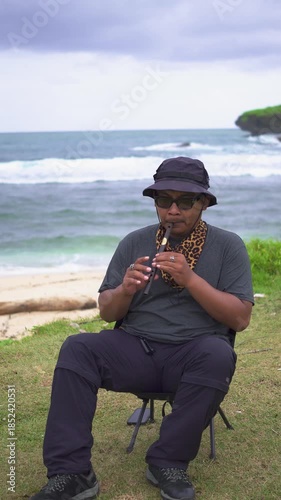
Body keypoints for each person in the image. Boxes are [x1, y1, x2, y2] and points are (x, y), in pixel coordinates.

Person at [30, 157, 254, 500]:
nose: (172, 211)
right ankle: (72, 473)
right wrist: (125, 289)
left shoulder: (228, 246)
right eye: (164, 201)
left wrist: (190, 279)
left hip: (194, 354)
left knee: (218, 354)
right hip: (135, 349)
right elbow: (107, 312)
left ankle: (167, 461)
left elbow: (239, 318)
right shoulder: (135, 243)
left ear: (204, 203)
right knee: (77, 347)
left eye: (185, 201)